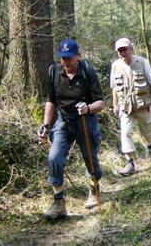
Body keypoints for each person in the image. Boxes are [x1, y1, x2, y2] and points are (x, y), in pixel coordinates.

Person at [38, 39, 105, 218]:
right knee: (54, 157)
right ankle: (59, 203)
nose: (65, 62)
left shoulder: (87, 71)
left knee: (90, 156)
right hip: (64, 120)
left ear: (78, 56)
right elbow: (51, 101)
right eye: (62, 58)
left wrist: (88, 108)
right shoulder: (54, 72)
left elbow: (101, 102)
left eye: (69, 58)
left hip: (85, 119)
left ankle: (94, 189)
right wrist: (46, 124)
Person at [110, 38, 151, 176]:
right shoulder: (115, 66)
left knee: (147, 131)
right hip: (125, 107)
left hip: (143, 105)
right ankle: (130, 163)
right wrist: (115, 105)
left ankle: (150, 147)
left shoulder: (142, 62)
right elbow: (114, 87)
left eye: (125, 49)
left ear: (131, 49)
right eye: (119, 50)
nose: (122, 52)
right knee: (126, 133)